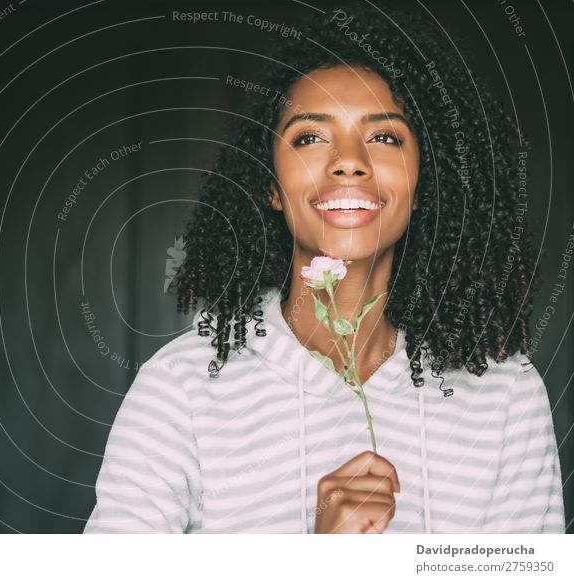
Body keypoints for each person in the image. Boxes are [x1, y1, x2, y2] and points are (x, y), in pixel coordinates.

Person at [83, 3, 566, 533]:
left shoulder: (505, 394)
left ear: (426, 185)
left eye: (384, 137)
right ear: (270, 184)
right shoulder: (179, 390)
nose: (349, 159)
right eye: (311, 137)